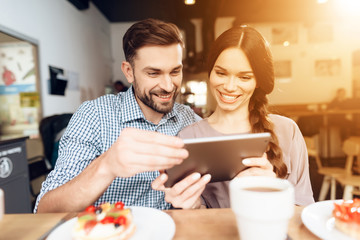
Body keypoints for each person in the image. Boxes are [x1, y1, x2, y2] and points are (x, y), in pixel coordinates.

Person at [35, 18, 204, 213]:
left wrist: (196, 203)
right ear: (129, 72)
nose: (168, 86)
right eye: (153, 73)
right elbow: (44, 210)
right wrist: (107, 165)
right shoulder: (93, 116)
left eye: (175, 71)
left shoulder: (188, 118)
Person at [152, 25, 314, 208]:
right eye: (221, 73)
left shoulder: (287, 131)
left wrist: (273, 192)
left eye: (244, 77)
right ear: (211, 72)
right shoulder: (188, 137)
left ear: (258, 81)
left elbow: (304, 211)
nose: (229, 86)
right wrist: (192, 205)